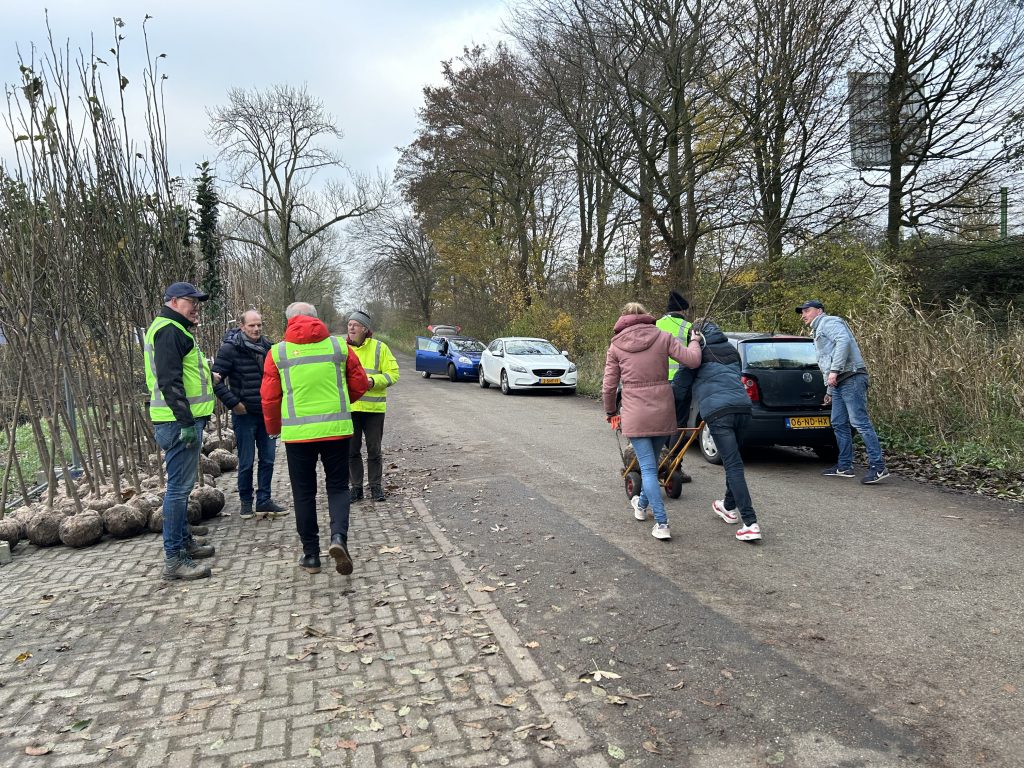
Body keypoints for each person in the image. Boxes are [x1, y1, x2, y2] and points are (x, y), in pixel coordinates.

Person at [261, 302, 370, 576]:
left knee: (304, 494)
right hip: (336, 431)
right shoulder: (338, 347)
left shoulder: (278, 352)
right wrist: (341, 404)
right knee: (337, 487)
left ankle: (311, 556)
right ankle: (338, 539)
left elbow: (270, 398)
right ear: (316, 319)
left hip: (298, 437)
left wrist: (275, 427)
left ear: (289, 320)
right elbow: (359, 384)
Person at [144, 282, 218, 580]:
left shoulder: (176, 328)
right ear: (173, 302)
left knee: (182, 489)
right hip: (177, 424)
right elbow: (170, 381)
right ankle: (174, 558)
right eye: (191, 301)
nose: (196, 306)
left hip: (180, 421)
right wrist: (187, 422)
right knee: (177, 491)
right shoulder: (169, 331)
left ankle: (184, 543)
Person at [602, 302, 694, 541]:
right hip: (663, 409)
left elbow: (609, 386)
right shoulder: (663, 337)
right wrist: (694, 340)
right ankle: (641, 506)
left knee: (649, 469)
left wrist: (611, 411)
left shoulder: (616, 346)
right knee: (651, 463)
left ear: (623, 319)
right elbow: (692, 360)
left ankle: (662, 522)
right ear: (645, 317)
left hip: (635, 413)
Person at [678, 320, 764, 542]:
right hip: (744, 408)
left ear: (696, 335)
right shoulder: (731, 350)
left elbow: (680, 387)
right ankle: (728, 506)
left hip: (718, 413)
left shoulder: (695, 353)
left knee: (733, 465)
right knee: (733, 460)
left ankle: (751, 522)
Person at [796, 300, 889, 484]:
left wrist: (835, 371)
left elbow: (843, 341)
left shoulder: (829, 322)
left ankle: (878, 467)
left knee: (859, 422)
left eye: (807, 310)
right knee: (838, 422)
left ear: (819, 310)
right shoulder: (817, 330)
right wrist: (830, 389)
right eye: (802, 312)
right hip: (838, 382)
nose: (803, 315)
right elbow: (826, 359)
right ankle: (844, 466)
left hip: (851, 376)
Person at [212, 309, 286, 519]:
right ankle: (246, 502)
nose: (256, 329)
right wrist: (233, 403)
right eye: (252, 325)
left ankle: (264, 500)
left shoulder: (269, 348)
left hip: (267, 413)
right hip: (244, 415)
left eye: (259, 325)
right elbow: (215, 381)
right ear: (242, 326)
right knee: (246, 461)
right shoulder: (230, 349)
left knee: (269, 459)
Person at [345, 310, 400, 502]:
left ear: (365, 329)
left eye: (355, 325)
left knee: (374, 451)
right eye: (349, 324)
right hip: (350, 409)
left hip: (374, 410)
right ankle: (356, 488)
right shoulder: (342, 348)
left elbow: (393, 374)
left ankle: (376, 487)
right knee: (351, 451)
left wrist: (372, 381)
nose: (351, 327)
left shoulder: (380, 348)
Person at [656, 290, 695, 479]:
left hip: (658, 383)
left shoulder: (655, 325)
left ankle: (659, 463)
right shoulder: (688, 327)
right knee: (678, 426)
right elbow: (695, 357)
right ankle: (675, 468)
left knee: (660, 425)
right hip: (682, 383)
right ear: (682, 311)